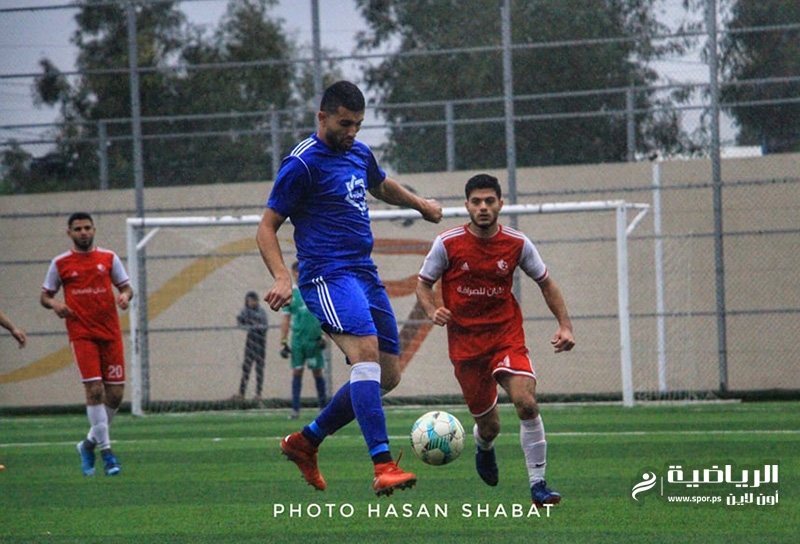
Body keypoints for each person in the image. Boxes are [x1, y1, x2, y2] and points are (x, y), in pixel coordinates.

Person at [256, 80, 442, 496]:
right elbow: (267, 227)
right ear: (322, 117)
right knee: (365, 355)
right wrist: (283, 276)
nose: (352, 132)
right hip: (326, 275)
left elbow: (381, 184)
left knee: (387, 375)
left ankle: (306, 441)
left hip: (364, 273)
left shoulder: (358, 152)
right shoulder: (302, 164)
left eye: (358, 124)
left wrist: (420, 205)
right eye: (345, 124)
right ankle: (382, 465)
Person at [415, 174, 575, 507]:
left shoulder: (517, 243)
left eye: (489, 201)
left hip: (506, 337)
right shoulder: (447, 243)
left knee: (526, 403)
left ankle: (538, 485)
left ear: (500, 204)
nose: (483, 207)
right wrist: (432, 311)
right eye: (476, 202)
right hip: (466, 346)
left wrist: (565, 326)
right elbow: (423, 284)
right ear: (467, 206)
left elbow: (546, 283)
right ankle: (484, 446)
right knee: (489, 427)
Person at [41, 212, 133, 477]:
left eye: (87, 228)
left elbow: (127, 288)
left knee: (115, 395)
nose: (83, 232)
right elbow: (45, 296)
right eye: (78, 229)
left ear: (94, 230)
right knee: (94, 391)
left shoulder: (108, 258)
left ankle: (87, 445)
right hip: (82, 334)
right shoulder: (60, 263)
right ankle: (107, 453)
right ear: (69, 233)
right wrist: (55, 304)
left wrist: (124, 296)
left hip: (110, 334)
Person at [280, 261, 328, 419]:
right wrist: (283, 342)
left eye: (300, 271)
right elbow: (286, 319)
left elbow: (324, 315)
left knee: (317, 372)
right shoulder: (291, 294)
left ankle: (323, 409)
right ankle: (295, 410)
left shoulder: (315, 291)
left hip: (314, 340)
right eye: (296, 271)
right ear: (293, 274)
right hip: (298, 340)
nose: (298, 274)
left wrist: (324, 335)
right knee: (297, 371)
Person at [234, 291, 269, 403]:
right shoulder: (245, 311)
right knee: (246, 368)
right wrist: (248, 324)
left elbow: (264, 326)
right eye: (249, 301)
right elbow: (240, 322)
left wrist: (254, 324)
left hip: (260, 341)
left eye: (253, 301)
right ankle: (241, 393)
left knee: (259, 368)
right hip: (250, 340)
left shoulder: (261, 312)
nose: (251, 303)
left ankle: (258, 394)